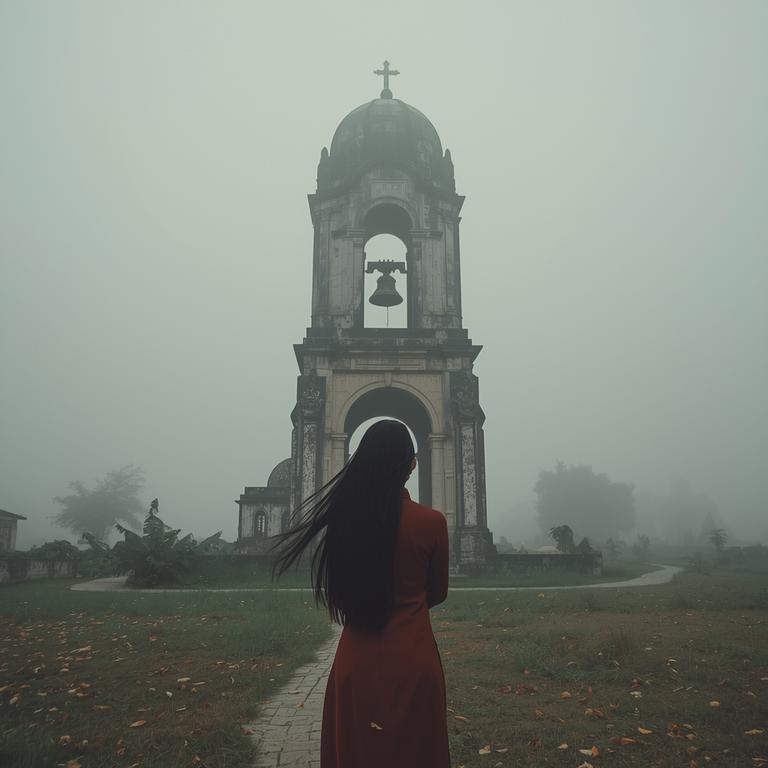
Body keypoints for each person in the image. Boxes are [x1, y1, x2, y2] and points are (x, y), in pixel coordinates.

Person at [270, 419, 450, 767]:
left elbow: (339, 591)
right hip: (415, 662)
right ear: (412, 464)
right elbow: (438, 592)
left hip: (357, 663)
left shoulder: (344, 521)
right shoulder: (432, 523)